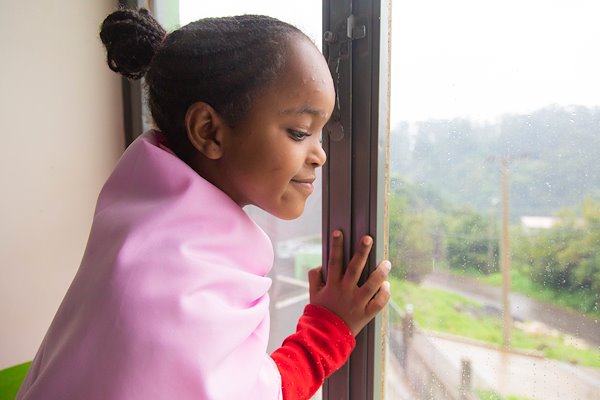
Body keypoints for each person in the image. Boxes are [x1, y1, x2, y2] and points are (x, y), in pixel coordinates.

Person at [16, 8, 391, 400]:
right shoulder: (174, 282)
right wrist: (329, 328)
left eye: (321, 134)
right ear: (208, 130)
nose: (321, 155)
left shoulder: (139, 225)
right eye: (299, 132)